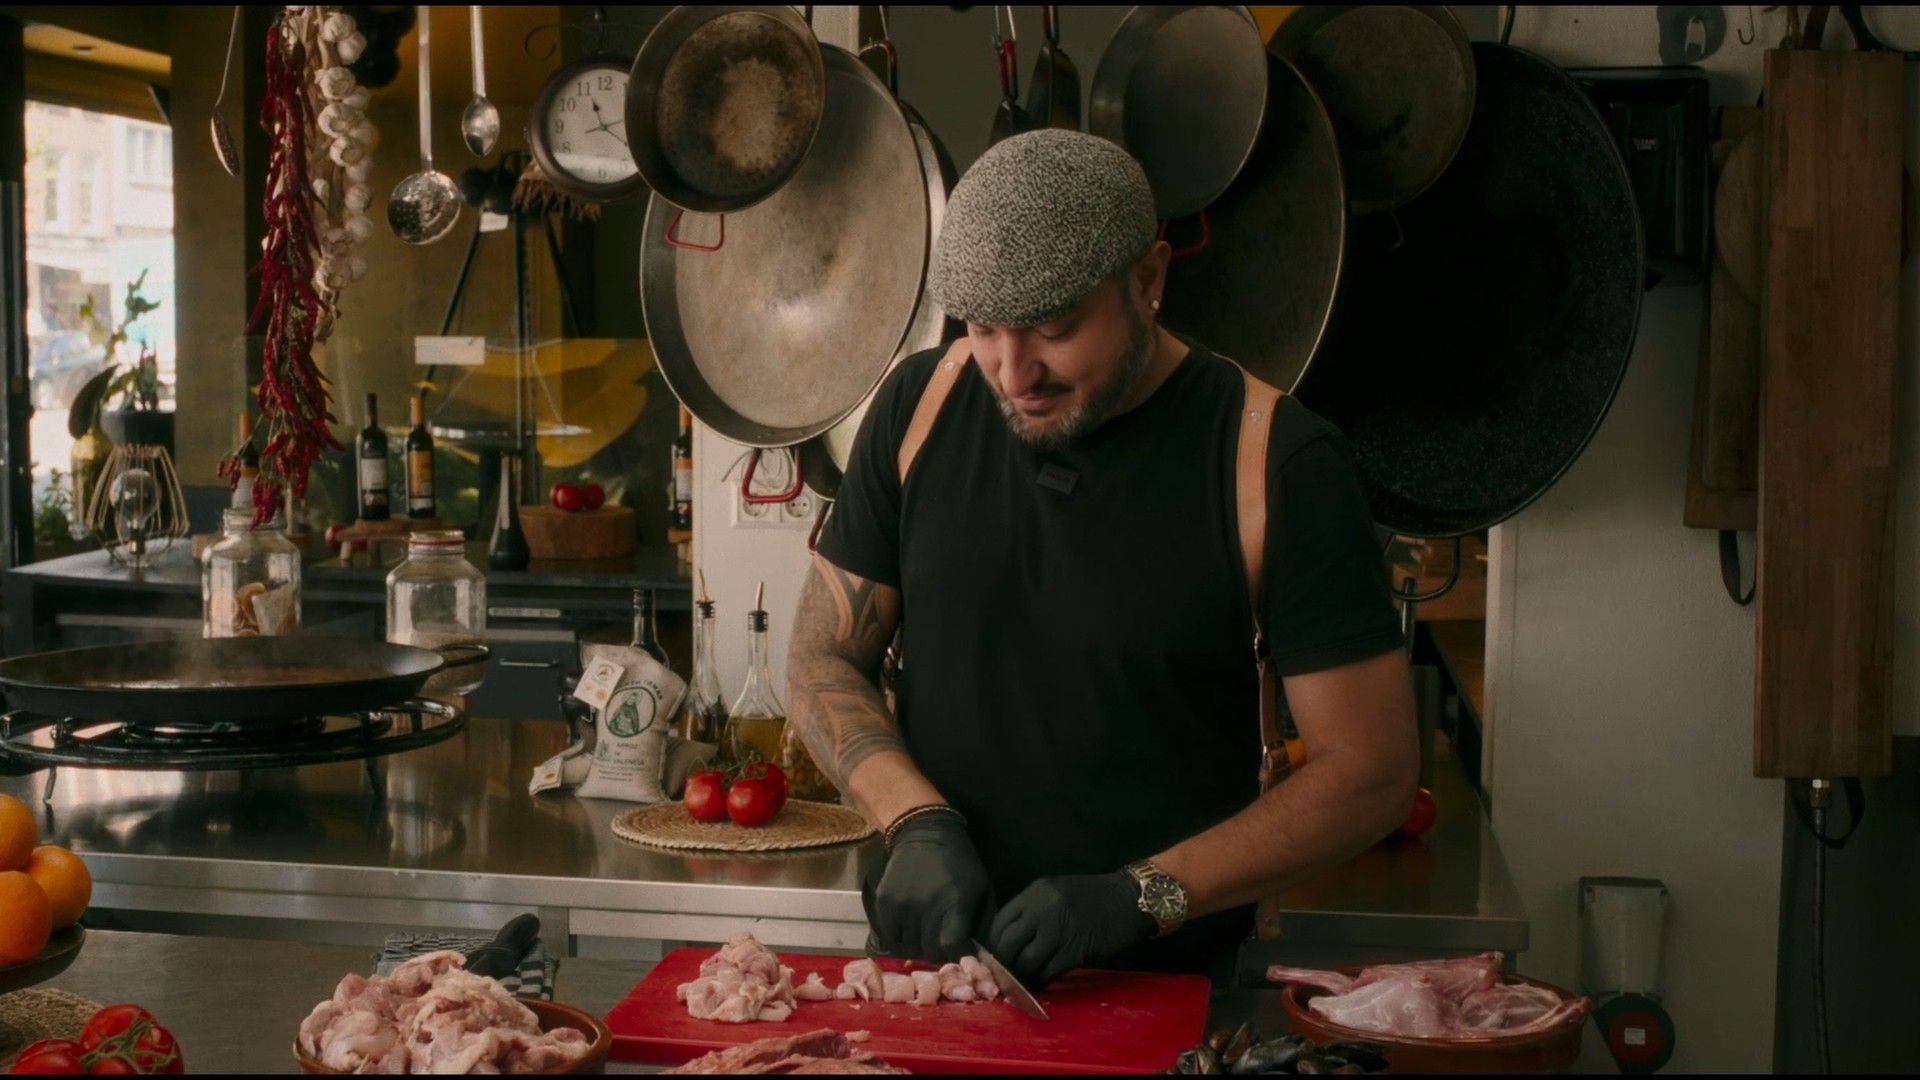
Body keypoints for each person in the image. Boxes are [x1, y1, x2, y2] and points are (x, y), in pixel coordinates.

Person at [786, 129, 1418, 987]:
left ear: (1150, 280)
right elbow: (823, 655)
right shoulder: (919, 407)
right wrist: (917, 820)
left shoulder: (1274, 461)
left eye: (1054, 329)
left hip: (1163, 981)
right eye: (983, 329)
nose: (1012, 373)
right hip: (934, 971)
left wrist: (1142, 896)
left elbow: (1371, 772)